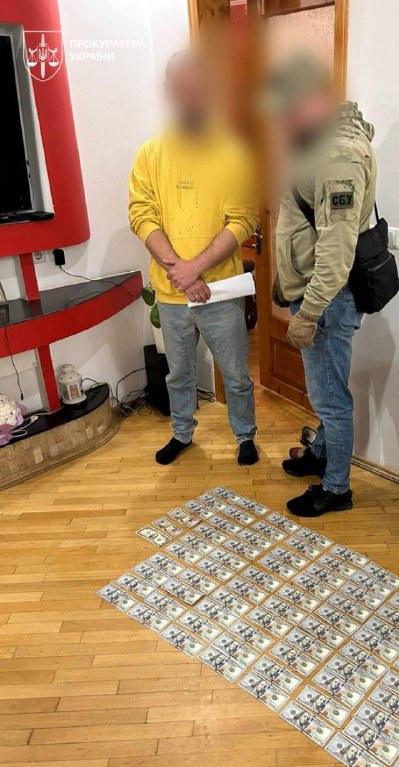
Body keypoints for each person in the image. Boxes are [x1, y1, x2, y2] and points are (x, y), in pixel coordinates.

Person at [129, 50, 259, 466]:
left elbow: (243, 218)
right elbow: (141, 215)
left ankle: (245, 436)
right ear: (169, 91)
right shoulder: (150, 154)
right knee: (178, 374)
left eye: (195, 89)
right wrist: (180, 273)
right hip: (171, 294)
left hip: (220, 290)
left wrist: (194, 269)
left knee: (235, 375)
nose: (188, 97)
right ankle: (182, 433)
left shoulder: (234, 152)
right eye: (180, 88)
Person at [266, 54, 378, 517]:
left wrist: (308, 313)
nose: (282, 120)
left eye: (287, 108)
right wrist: (285, 278)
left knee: (331, 400)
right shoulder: (324, 143)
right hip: (318, 293)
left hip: (327, 301)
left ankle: (336, 489)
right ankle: (321, 456)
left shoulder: (338, 155)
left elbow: (335, 251)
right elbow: (308, 223)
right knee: (328, 392)